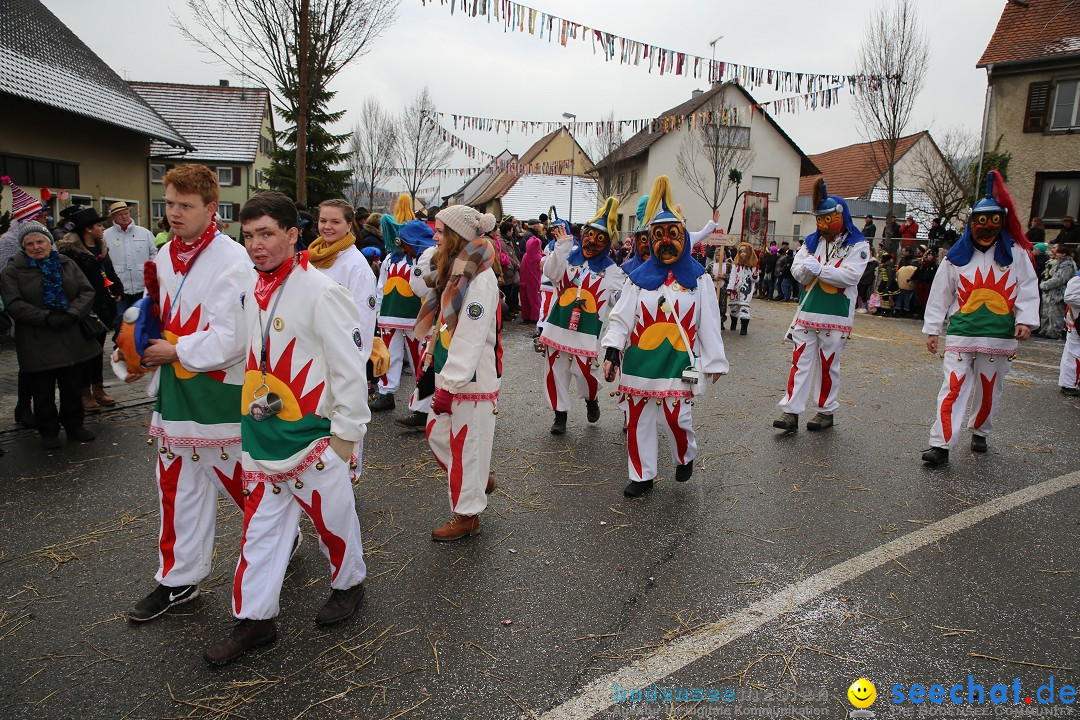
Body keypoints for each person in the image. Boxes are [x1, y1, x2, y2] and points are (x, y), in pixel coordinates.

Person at [202, 191, 368, 665]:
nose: (255, 245)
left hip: (313, 439)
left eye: (267, 234)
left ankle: (349, 583)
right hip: (264, 439)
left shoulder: (322, 292)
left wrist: (344, 439)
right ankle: (255, 619)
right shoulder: (252, 290)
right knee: (260, 531)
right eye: (249, 235)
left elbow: (350, 369)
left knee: (332, 521)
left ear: (294, 235)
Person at [125, 164, 256, 623]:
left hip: (219, 393)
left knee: (244, 485)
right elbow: (153, 314)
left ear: (210, 208)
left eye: (185, 206)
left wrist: (175, 349)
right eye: (170, 204)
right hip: (175, 395)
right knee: (177, 486)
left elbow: (234, 337)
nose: (174, 214)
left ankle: (279, 538)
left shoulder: (234, 260)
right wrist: (133, 348)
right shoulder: (163, 257)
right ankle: (179, 578)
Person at [601, 176, 727, 497]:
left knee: (676, 417)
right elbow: (620, 318)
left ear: (684, 238)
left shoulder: (699, 281)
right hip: (641, 362)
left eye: (673, 235)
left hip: (678, 361)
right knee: (638, 418)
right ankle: (641, 475)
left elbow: (710, 323)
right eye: (658, 237)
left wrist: (713, 361)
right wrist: (613, 349)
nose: (665, 242)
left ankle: (684, 455)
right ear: (650, 241)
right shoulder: (637, 279)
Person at [920, 171, 1039, 465]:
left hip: (998, 334)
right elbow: (940, 294)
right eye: (979, 221)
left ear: (1001, 222)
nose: (985, 228)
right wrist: (933, 329)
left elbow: (1027, 286)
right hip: (962, 333)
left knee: (990, 387)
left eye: (992, 222)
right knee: (953, 387)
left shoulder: (1016, 253)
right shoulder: (955, 257)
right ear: (971, 223)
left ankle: (981, 431)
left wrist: (1024, 319)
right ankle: (941, 444)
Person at [414, 205, 501, 541]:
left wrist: (449, 384)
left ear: (456, 235)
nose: (434, 236)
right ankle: (476, 479)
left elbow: (471, 335)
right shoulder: (456, 269)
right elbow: (429, 304)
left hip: (472, 378)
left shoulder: (480, 278)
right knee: (438, 435)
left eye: (439, 231)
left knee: (463, 444)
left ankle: (466, 515)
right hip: (452, 374)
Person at [773, 179, 869, 432]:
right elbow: (797, 269)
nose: (824, 226)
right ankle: (791, 412)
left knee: (828, 364)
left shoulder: (858, 244)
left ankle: (825, 411)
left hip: (835, 316)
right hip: (806, 313)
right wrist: (808, 271)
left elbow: (851, 276)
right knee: (799, 363)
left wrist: (820, 270)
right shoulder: (811, 241)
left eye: (829, 220)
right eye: (820, 220)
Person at [1, 222, 100, 448]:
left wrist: (72, 313)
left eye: (40, 242)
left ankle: (75, 425)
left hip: (71, 336)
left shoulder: (67, 263)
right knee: (42, 391)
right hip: (37, 340)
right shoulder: (12, 271)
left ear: (49, 242)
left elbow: (86, 291)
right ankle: (48, 431)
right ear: (23, 247)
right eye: (30, 244)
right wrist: (45, 317)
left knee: (72, 387)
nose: (36, 247)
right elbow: (13, 304)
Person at [538, 197, 626, 435]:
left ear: (607, 242)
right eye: (589, 234)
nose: (591, 241)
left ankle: (591, 399)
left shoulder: (611, 270)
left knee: (585, 373)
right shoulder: (569, 256)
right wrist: (562, 247)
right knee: (556, 372)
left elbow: (621, 299)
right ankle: (560, 415)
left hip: (587, 333)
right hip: (558, 327)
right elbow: (551, 273)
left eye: (599, 238)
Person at [308, 199, 378, 429]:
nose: (327, 226)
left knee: (341, 432)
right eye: (323, 220)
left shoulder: (356, 266)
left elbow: (363, 323)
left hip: (339, 362)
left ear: (349, 225)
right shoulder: (313, 257)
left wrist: (353, 367)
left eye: (335, 222)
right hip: (311, 357)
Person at [370, 209, 435, 412]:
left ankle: (421, 398)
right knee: (389, 355)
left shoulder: (424, 260)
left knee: (419, 356)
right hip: (389, 316)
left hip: (415, 318)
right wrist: (379, 311)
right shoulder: (390, 259)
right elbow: (381, 286)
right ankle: (386, 393)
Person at [58, 206, 122, 411]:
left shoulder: (101, 247)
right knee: (84, 353)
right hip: (84, 307)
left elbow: (109, 271)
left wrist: (117, 286)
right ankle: (84, 393)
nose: (102, 228)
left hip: (103, 303)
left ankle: (98, 389)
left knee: (97, 351)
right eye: (98, 225)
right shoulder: (71, 252)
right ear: (87, 229)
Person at [105, 201, 157, 326]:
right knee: (121, 321)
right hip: (120, 286)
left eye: (126, 213)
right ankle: (121, 344)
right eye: (120, 214)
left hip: (141, 284)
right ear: (114, 217)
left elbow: (154, 254)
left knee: (142, 319)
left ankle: (139, 344)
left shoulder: (145, 233)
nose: (124, 216)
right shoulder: (106, 235)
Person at [1039, 243, 1077, 339]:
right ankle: (1045, 330)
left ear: (1064, 254)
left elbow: (1059, 279)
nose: (1056, 254)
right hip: (1051, 292)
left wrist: (1045, 285)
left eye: (1058, 252)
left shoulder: (1067, 265)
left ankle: (1054, 332)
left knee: (1056, 313)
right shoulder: (1057, 263)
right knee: (1047, 312)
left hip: (1058, 292)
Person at [727, 241, 759, 335]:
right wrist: (730, 288)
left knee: (744, 307)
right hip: (735, 289)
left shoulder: (752, 266)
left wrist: (755, 275)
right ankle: (733, 323)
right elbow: (733, 276)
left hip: (746, 290)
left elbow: (755, 280)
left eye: (744, 252)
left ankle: (744, 328)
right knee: (733, 307)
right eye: (741, 252)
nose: (742, 254)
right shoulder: (736, 265)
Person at [1059, 271, 1080, 396]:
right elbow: (1069, 297)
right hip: (1076, 321)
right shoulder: (1077, 279)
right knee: (1074, 354)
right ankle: (1069, 384)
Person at [518, 233, 543, 324]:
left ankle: (526, 316)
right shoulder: (538, 257)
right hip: (533, 282)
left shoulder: (525, 255)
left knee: (524, 300)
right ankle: (534, 317)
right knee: (534, 300)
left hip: (523, 281)